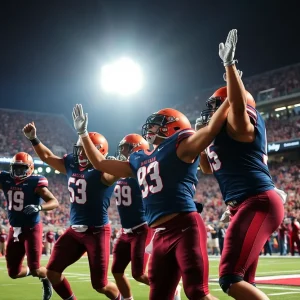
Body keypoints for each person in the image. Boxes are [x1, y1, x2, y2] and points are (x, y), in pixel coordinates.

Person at [71, 100, 230, 300]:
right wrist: (83, 134)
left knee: (197, 292)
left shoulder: (182, 143)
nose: (151, 128)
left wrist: (228, 102)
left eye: (157, 123)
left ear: (174, 125)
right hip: (159, 233)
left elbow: (211, 131)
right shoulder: (141, 158)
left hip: (184, 226)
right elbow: (101, 163)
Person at [196, 29, 285, 300]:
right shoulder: (222, 135)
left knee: (230, 278)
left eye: (215, 106)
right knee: (245, 282)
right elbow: (207, 168)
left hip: (256, 200)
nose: (210, 111)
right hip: (243, 204)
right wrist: (203, 139)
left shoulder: (242, 123)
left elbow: (236, 109)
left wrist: (230, 66)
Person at [22, 123, 121, 300]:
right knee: (52, 272)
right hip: (74, 230)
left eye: (85, 149)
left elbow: (118, 172)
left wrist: (116, 164)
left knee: (100, 285)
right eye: (79, 148)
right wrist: (33, 139)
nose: (80, 153)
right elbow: (47, 156)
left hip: (96, 232)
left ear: (97, 151)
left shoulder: (105, 171)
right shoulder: (71, 164)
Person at [0, 152, 58, 300]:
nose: (18, 171)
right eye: (16, 167)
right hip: (15, 229)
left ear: (30, 168)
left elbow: (54, 201)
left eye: (22, 168)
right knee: (13, 273)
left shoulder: (36, 182)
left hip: (32, 229)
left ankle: (46, 278)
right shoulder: (5, 178)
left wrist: (39, 208)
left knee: (36, 269)